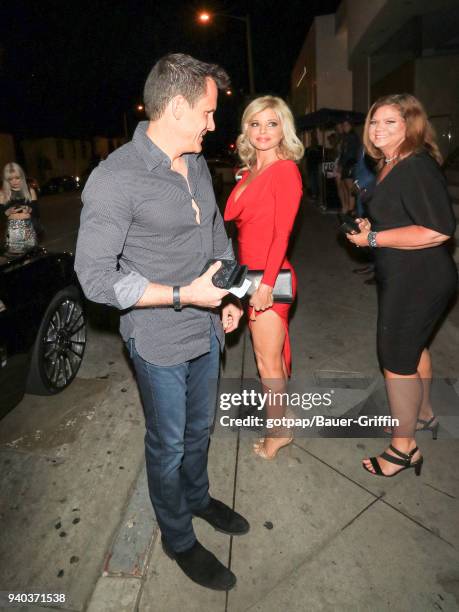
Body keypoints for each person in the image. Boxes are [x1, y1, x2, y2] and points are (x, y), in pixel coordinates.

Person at [75, 53, 249, 591]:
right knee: (168, 444)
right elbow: (95, 279)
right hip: (158, 341)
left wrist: (227, 294)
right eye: (207, 113)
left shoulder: (195, 163)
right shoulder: (114, 179)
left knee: (200, 430)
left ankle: (197, 499)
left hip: (206, 329)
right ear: (175, 108)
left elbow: (215, 236)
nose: (213, 124)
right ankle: (177, 538)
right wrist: (183, 294)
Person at [346, 94, 457, 477]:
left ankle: (403, 448)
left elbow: (438, 229)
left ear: (410, 125)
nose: (378, 130)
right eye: (374, 122)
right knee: (414, 350)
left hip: (419, 280)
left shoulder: (413, 166)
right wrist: (372, 229)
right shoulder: (391, 162)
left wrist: (374, 241)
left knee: (396, 362)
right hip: (409, 275)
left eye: (390, 123)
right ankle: (423, 415)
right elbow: (404, 219)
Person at [224, 96, 304, 459]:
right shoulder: (249, 171)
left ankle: (278, 433)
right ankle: (282, 417)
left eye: (272, 124)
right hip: (250, 275)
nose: (263, 131)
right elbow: (232, 217)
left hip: (269, 277)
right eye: (255, 123)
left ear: (283, 128)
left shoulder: (285, 171)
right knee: (267, 360)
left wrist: (267, 286)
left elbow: (281, 235)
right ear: (246, 128)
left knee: (267, 364)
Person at [0, 162, 38, 253]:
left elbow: (37, 213)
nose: (14, 181)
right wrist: (7, 212)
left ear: (22, 176)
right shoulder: (2, 194)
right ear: (6, 180)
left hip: (28, 227)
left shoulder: (30, 191)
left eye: (17, 178)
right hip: (13, 229)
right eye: (10, 179)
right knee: (16, 258)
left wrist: (29, 209)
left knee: (31, 256)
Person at [338, 120, 361, 214]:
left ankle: (351, 209)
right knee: (346, 186)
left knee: (349, 187)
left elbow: (350, 153)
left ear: (351, 126)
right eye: (343, 125)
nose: (344, 126)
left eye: (346, 125)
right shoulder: (346, 137)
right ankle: (349, 208)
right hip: (347, 164)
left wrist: (342, 164)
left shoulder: (352, 137)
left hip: (350, 164)